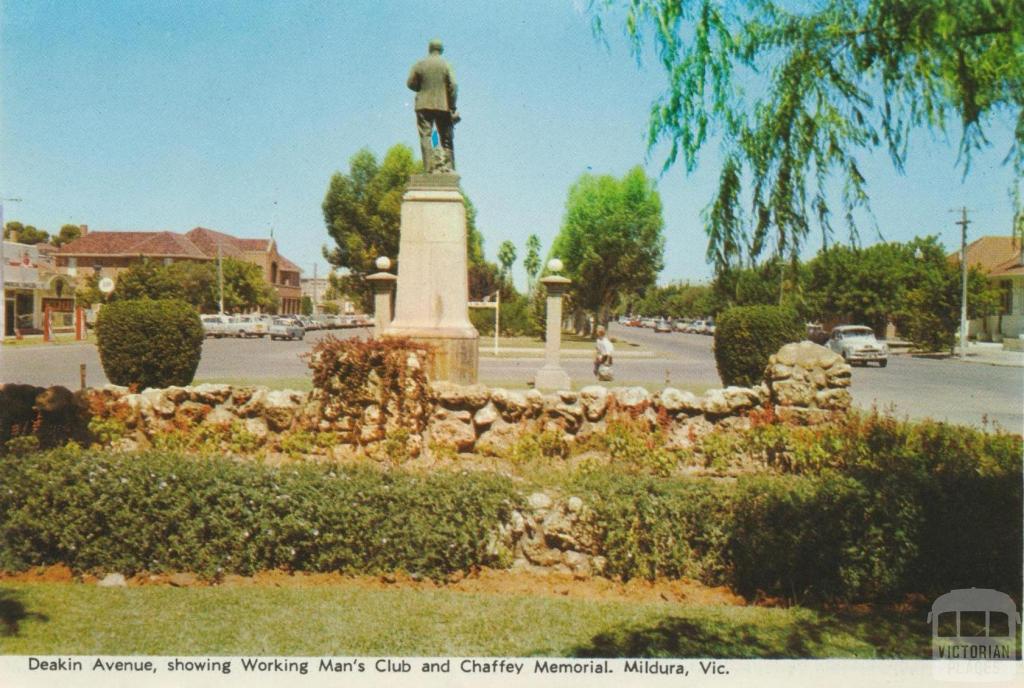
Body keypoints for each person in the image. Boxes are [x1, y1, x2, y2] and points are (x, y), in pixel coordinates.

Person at [407, 39, 458, 172]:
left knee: (426, 136)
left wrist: (422, 88)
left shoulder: (419, 64)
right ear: (441, 50)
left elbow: (410, 83)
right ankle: (449, 168)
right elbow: (454, 85)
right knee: (446, 138)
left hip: (423, 105)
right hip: (443, 105)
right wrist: (452, 106)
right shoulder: (446, 64)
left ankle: (429, 169)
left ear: (429, 49)